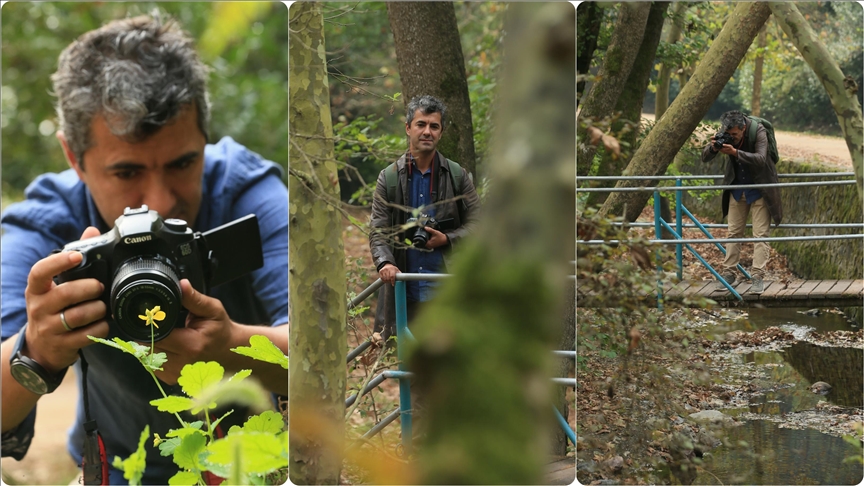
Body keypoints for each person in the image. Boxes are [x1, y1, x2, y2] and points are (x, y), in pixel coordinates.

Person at [0, 14, 288, 484]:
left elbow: (322, 354)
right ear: (74, 157)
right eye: (127, 172)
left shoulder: (247, 194)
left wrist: (231, 346)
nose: (159, 200)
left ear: (204, 137)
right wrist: (36, 349)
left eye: (182, 162)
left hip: (256, 465)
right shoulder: (48, 225)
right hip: (114, 469)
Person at [369, 95, 481, 339]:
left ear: (441, 132)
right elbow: (378, 230)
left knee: (446, 369)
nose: (427, 132)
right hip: (403, 290)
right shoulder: (388, 178)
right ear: (408, 128)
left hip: (447, 291)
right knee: (405, 366)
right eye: (421, 124)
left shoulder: (456, 176)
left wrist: (447, 239)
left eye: (434, 126)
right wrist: (385, 263)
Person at [701, 110, 782, 294]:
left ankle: (757, 278)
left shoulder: (758, 131)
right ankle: (729, 274)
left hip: (760, 188)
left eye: (735, 135)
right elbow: (704, 157)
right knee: (733, 233)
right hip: (737, 189)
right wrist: (714, 147)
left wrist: (736, 152)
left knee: (760, 235)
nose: (732, 137)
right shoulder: (726, 132)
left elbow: (761, 159)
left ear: (744, 128)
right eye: (729, 134)